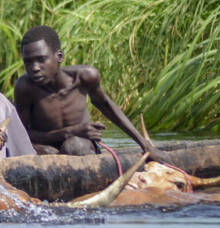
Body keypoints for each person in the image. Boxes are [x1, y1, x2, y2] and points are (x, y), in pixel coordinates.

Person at [13, 25, 163, 159]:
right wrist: (71, 131)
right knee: (29, 151)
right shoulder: (25, 87)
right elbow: (22, 135)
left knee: (73, 146)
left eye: (41, 59)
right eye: (28, 62)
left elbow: (109, 109)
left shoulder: (84, 77)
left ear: (59, 57)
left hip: (81, 146)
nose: (34, 68)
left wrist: (145, 145)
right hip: (46, 147)